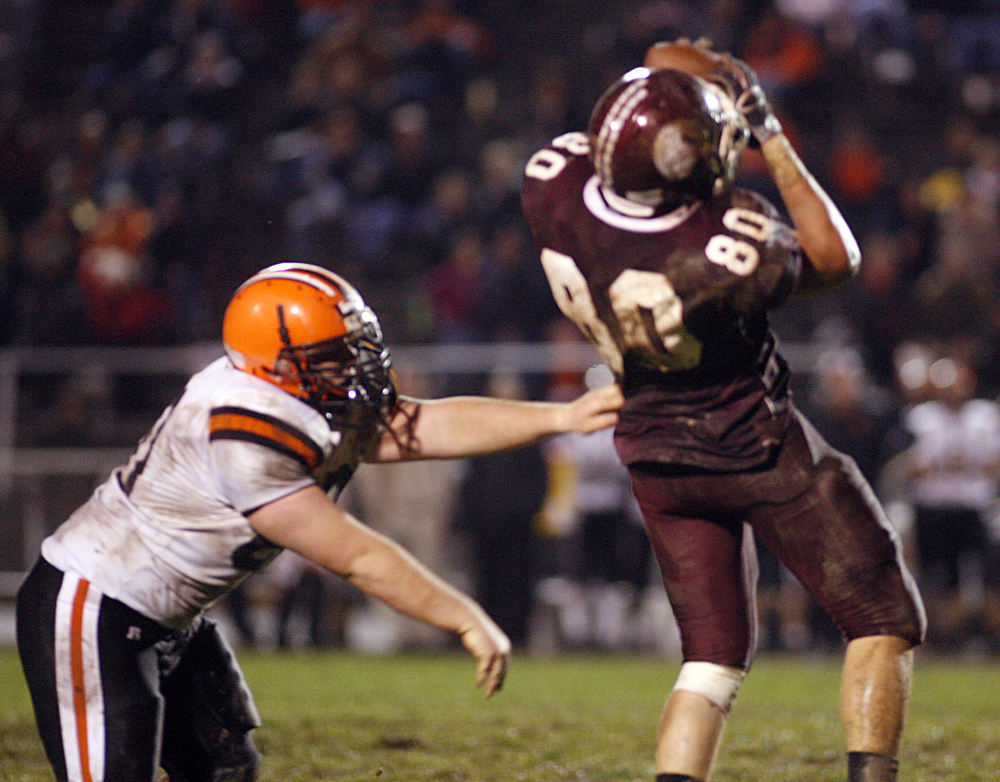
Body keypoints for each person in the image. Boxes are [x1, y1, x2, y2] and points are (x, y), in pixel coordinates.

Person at [15, 261, 623, 782]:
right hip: (96, 608)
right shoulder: (244, 435)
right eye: (333, 358)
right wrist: (463, 616)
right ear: (275, 366)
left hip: (169, 615)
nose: (355, 370)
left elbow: (420, 425)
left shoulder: (293, 395)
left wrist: (561, 419)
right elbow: (358, 557)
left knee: (224, 769)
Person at [520, 39, 925, 782]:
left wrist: (675, 89)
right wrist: (766, 131)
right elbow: (837, 260)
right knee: (884, 619)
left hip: (652, 452)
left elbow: (638, 108)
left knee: (709, 662)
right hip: (756, 448)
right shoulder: (726, 242)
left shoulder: (552, 185)